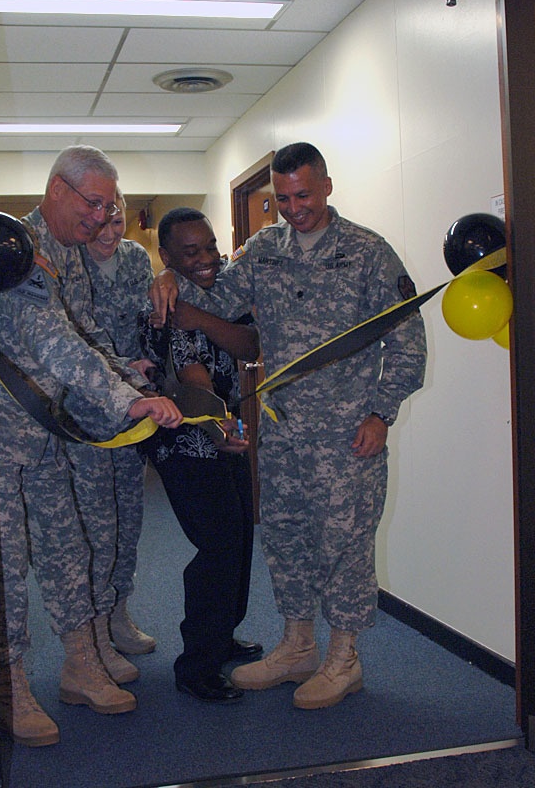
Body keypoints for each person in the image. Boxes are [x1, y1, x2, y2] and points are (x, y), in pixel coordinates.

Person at [149, 144, 427, 710]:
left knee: (345, 545)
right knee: (286, 539)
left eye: (303, 195)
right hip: (281, 433)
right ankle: (298, 645)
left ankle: (344, 657)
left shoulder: (368, 253)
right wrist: (167, 276)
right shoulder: (264, 250)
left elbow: (406, 340)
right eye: (282, 198)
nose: (294, 208)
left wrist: (382, 413)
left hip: (347, 433)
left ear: (327, 186)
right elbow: (216, 297)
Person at [0, 146, 182, 747]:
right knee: (8, 569)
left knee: (69, 551)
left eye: (108, 207)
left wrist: (127, 380)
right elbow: (54, 344)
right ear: (58, 190)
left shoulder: (69, 255)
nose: (101, 219)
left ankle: (79, 665)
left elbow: (85, 333)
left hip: (50, 439)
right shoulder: (20, 253)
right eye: (94, 205)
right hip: (3, 441)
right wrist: (128, 400)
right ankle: (10, 683)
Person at [138, 207, 263, 703]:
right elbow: (194, 381)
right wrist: (221, 428)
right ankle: (197, 665)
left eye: (210, 246)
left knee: (239, 537)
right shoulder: (162, 304)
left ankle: (223, 636)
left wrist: (202, 317)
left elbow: (248, 342)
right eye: (190, 253)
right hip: (186, 439)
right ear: (166, 257)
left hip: (225, 431)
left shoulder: (223, 292)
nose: (207, 259)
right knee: (219, 544)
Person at [81, 193, 157, 656]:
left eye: (119, 223)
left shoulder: (135, 259)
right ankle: (91, 628)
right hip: (86, 416)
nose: (110, 235)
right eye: (100, 226)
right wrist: (125, 368)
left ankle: (118, 613)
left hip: (133, 416)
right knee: (91, 525)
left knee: (128, 518)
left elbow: (148, 323)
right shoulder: (65, 262)